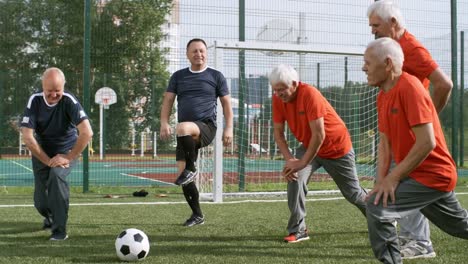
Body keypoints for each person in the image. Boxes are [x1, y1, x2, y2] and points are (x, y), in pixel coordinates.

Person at [362, 37, 468, 264]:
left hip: (434, 176)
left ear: (388, 64)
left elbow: (426, 142)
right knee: (461, 226)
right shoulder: (382, 96)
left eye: (368, 63)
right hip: (418, 175)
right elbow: (385, 144)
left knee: (377, 208)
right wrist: (381, 182)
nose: (364, 68)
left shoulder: (410, 88)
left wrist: (393, 177)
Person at [269, 64, 367, 243]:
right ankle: (298, 230)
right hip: (309, 145)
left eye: (282, 89)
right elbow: (278, 133)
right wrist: (290, 160)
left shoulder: (310, 94)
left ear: (294, 84)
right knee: (294, 177)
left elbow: (319, 134)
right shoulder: (277, 99)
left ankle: (383, 217)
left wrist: (302, 162)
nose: (278, 94)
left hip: (335, 147)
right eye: (275, 90)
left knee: (353, 194)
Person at [160, 38, 233, 227]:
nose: (198, 54)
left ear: (206, 53)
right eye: (194, 51)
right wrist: (163, 122)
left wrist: (229, 128)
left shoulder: (216, 76)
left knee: (183, 127)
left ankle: (191, 169)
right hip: (185, 136)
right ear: (187, 54)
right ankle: (197, 215)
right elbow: (168, 100)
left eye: (201, 50)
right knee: (182, 176)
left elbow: (226, 104)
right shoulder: (178, 76)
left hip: (206, 127)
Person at [20, 67, 93, 240]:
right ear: (42, 86)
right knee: (40, 201)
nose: (53, 95)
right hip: (42, 152)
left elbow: (87, 132)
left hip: (66, 150)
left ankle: (59, 230)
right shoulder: (34, 101)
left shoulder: (69, 101)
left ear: (64, 86)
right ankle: (50, 217)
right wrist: (47, 160)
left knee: (56, 176)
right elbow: (28, 137)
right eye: (49, 91)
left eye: (57, 91)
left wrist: (68, 157)